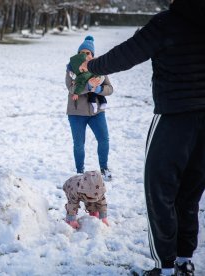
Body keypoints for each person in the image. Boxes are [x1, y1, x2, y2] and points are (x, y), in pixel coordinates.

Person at [78, 0, 205, 275]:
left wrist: (93, 66)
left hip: (174, 117)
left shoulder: (167, 23)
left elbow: (129, 53)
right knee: (190, 193)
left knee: (160, 192)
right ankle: (184, 260)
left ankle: (166, 267)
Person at [65, 35, 114, 180]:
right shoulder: (71, 69)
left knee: (104, 139)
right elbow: (72, 88)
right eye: (82, 53)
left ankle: (104, 168)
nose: (85, 55)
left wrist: (98, 90)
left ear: (92, 55)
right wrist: (89, 86)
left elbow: (110, 88)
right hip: (76, 113)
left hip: (97, 112)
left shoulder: (99, 68)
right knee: (79, 144)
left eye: (88, 53)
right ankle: (80, 171)